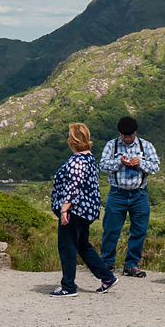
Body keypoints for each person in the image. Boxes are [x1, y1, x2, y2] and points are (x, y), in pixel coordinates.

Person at [50, 123, 117, 295]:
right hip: (87, 210)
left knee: (67, 247)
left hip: (75, 211)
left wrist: (64, 209)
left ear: (72, 141)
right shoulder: (89, 158)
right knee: (82, 245)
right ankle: (107, 277)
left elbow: (73, 185)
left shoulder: (77, 161)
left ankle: (68, 286)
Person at [98, 115, 160, 278]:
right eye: (124, 136)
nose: (127, 139)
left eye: (130, 136)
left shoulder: (145, 146)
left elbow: (155, 167)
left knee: (139, 230)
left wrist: (140, 163)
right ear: (119, 134)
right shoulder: (111, 145)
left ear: (135, 133)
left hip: (139, 193)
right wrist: (120, 162)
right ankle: (107, 262)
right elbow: (103, 165)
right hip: (117, 193)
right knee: (111, 229)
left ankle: (131, 264)